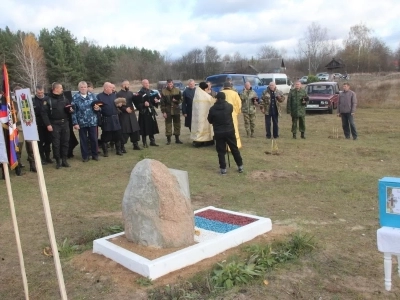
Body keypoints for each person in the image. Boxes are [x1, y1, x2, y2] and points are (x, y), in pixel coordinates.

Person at [208, 92, 243, 175]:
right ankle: (240, 166)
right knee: (234, 148)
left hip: (219, 132)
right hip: (229, 130)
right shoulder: (229, 106)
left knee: (221, 151)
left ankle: (223, 169)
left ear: (216, 98)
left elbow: (210, 120)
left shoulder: (212, 109)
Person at [41, 82, 73, 169]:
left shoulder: (64, 98)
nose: (62, 90)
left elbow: (68, 108)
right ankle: (58, 161)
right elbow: (44, 114)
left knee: (65, 142)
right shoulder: (47, 99)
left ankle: (64, 160)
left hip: (65, 122)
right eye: (61, 88)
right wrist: (48, 124)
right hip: (54, 124)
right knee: (56, 143)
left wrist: (70, 110)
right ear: (56, 89)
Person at [71, 81, 100, 162]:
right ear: (79, 88)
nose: (83, 89)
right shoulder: (75, 97)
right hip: (81, 122)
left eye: (85, 87)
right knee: (83, 140)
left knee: (94, 139)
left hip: (92, 121)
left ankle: (95, 155)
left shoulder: (93, 96)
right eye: (81, 87)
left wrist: (98, 108)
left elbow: (98, 106)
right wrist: (75, 123)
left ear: (87, 87)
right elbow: (73, 112)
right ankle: (85, 156)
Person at [96, 82, 123, 156]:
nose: (112, 89)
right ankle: (105, 152)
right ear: (106, 88)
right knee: (106, 136)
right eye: (111, 87)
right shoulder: (99, 97)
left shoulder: (114, 95)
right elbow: (98, 109)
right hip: (106, 119)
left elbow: (118, 106)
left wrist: (119, 105)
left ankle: (118, 150)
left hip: (115, 118)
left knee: (118, 135)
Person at [116, 80, 141, 151]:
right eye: (127, 84)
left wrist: (137, 97)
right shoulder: (118, 94)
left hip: (131, 113)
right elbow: (118, 105)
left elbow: (135, 102)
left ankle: (135, 144)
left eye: (129, 84)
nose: (128, 86)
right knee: (125, 130)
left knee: (134, 129)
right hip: (124, 114)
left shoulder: (130, 93)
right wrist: (125, 109)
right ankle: (122, 146)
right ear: (123, 85)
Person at [136, 79, 160, 147]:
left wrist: (156, 101)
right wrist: (143, 104)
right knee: (144, 127)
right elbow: (137, 104)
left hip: (151, 111)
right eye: (145, 83)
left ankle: (152, 141)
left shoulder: (151, 91)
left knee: (152, 126)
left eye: (148, 83)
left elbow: (153, 101)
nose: (147, 84)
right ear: (142, 84)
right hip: (144, 112)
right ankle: (144, 142)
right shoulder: (139, 93)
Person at [190, 82, 215, 147]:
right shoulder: (204, 95)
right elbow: (211, 100)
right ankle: (204, 140)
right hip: (204, 114)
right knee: (204, 126)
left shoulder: (197, 93)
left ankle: (198, 140)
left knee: (198, 127)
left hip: (198, 114)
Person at [33, 85, 52, 165]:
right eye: (38, 93)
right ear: (36, 92)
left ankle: (48, 157)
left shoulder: (48, 99)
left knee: (48, 141)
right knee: (40, 142)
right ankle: (42, 157)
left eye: (41, 92)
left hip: (48, 123)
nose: (40, 94)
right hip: (39, 124)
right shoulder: (33, 100)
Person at [161, 79, 182, 145]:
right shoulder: (164, 91)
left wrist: (176, 100)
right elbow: (162, 103)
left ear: (173, 84)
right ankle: (168, 140)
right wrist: (163, 112)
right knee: (168, 125)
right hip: (168, 110)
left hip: (176, 110)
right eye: (168, 84)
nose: (170, 85)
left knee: (177, 124)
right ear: (167, 84)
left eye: (171, 84)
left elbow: (181, 99)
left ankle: (177, 139)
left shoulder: (177, 90)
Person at [221, 82, 242, 148]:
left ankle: (224, 145)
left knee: (222, 128)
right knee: (233, 128)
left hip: (222, 114)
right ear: (230, 86)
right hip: (232, 114)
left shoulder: (220, 93)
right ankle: (235, 144)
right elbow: (239, 104)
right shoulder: (235, 93)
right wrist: (237, 112)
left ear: (223, 86)